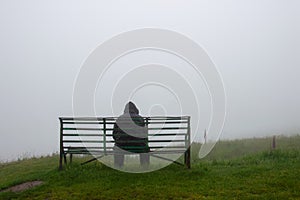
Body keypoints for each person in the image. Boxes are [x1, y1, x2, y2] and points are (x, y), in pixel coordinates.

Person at [112, 102, 149, 168]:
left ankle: (118, 165)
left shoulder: (119, 118)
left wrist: (119, 140)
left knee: (118, 147)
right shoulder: (140, 118)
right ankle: (145, 166)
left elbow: (114, 134)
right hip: (139, 146)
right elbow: (145, 135)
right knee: (145, 147)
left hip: (122, 146)